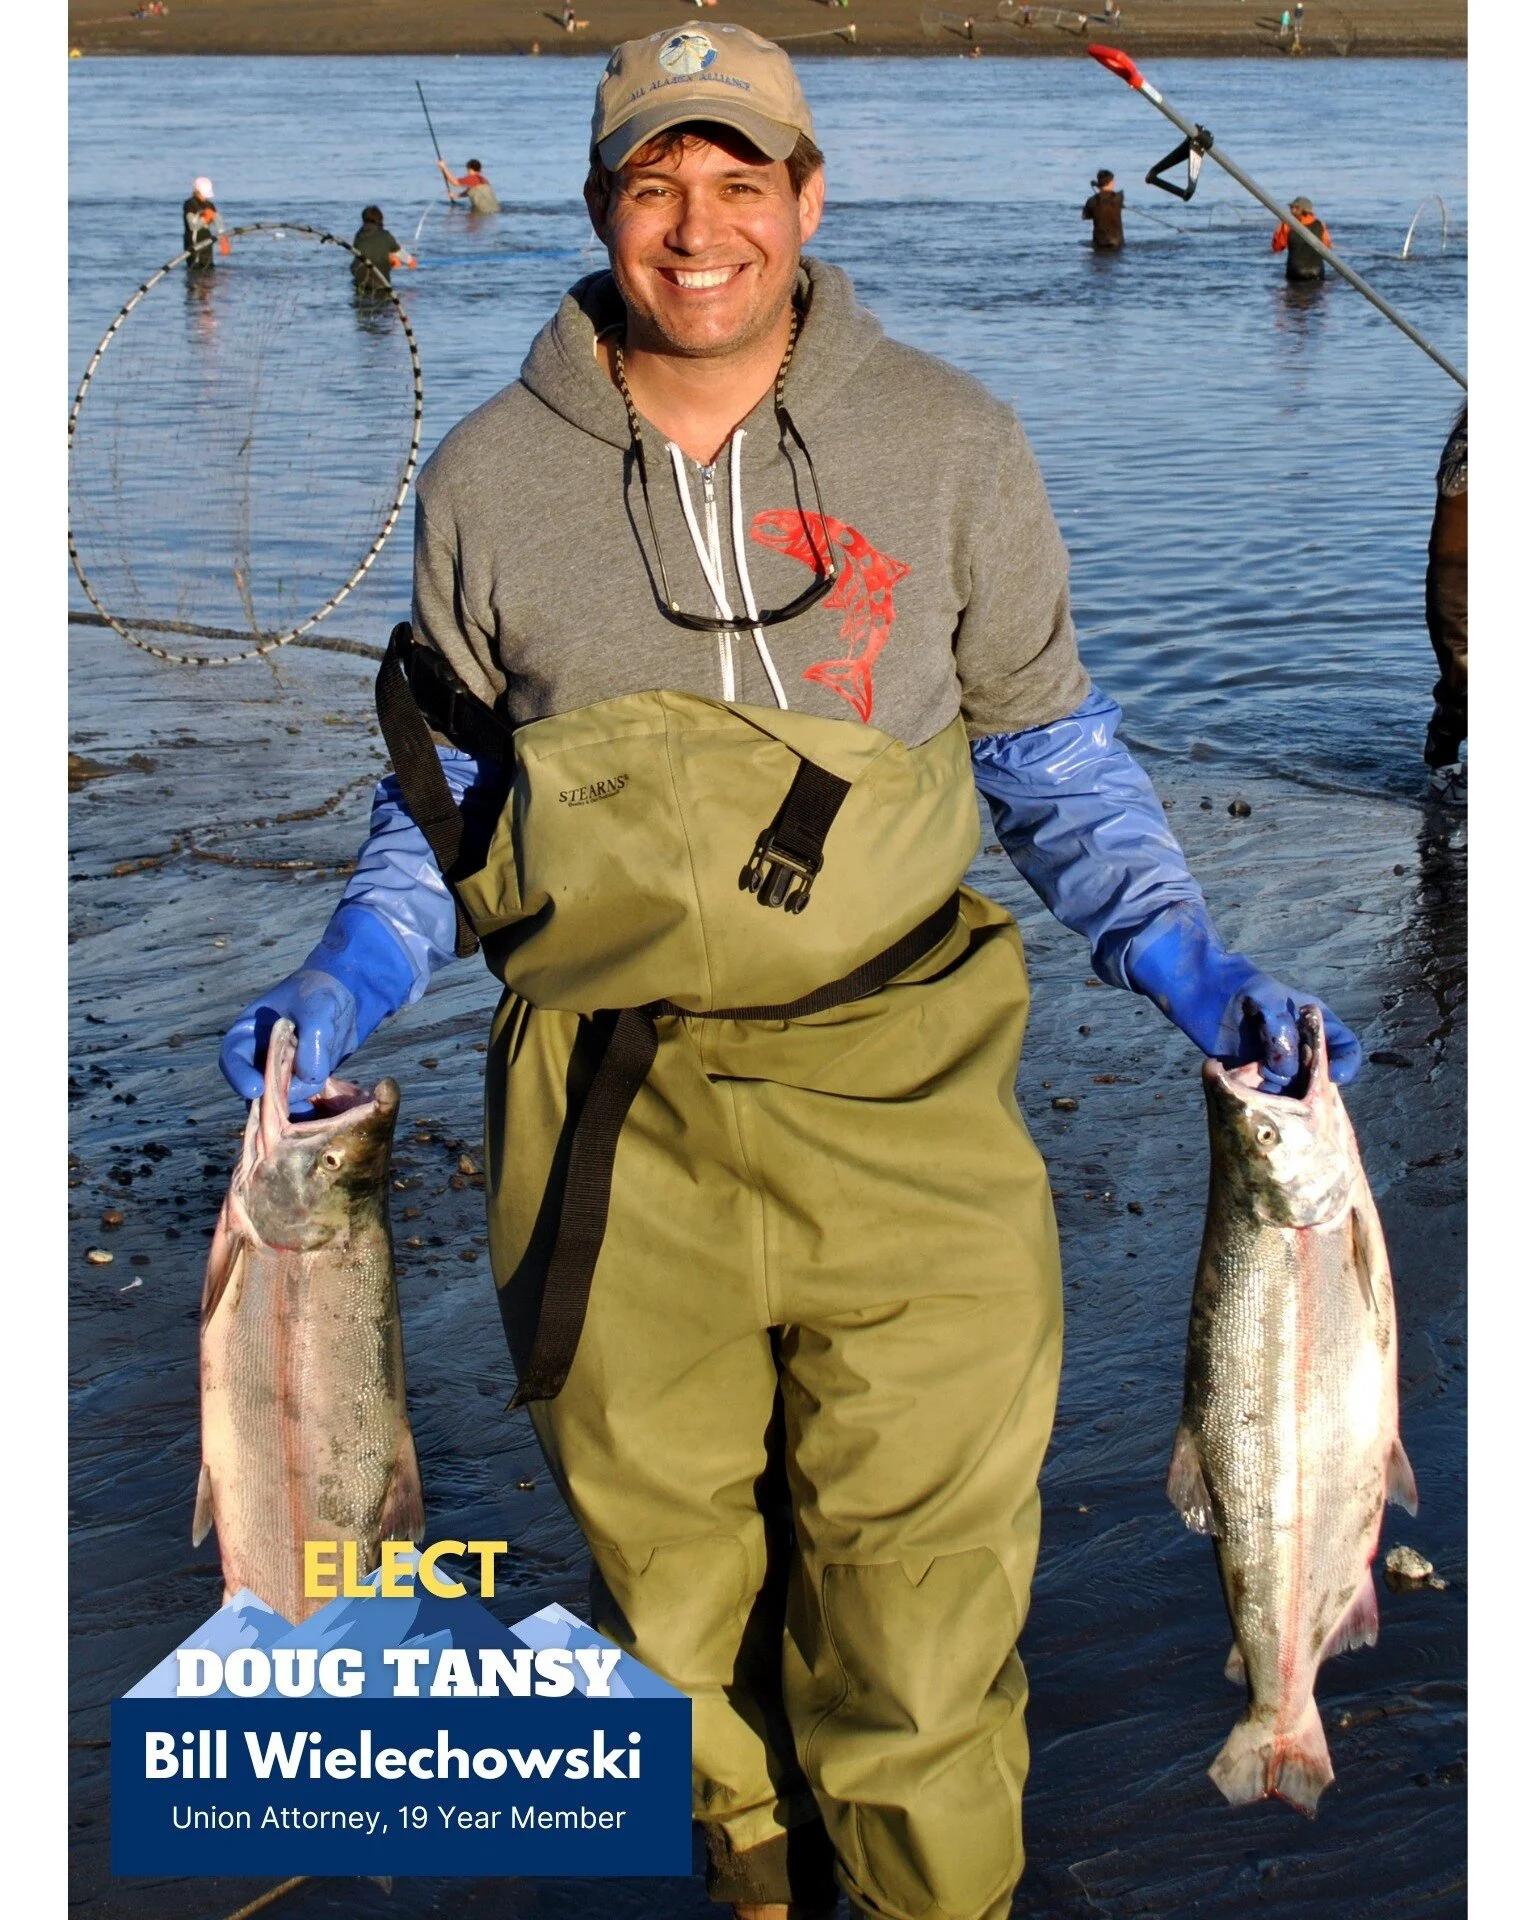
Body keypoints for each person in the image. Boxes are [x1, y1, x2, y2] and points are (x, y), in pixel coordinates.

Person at [221, 24, 1361, 1919]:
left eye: (738, 180)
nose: (698, 227)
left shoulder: (952, 442)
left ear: (805, 201)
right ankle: (745, 1885)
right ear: (601, 209)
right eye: (656, 183)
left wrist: (1177, 947)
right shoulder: (491, 480)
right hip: (606, 1125)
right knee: (667, 1603)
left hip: (909, 1111)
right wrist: (358, 966)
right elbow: (446, 801)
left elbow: (1048, 759)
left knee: (919, 1607)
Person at [1424, 405, 1467, 803]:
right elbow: (1454, 486)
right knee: (1466, 684)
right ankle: (1444, 774)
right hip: (1460, 589)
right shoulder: (1466, 447)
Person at [350, 205, 415, 293]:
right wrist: (410, 261)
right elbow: (400, 254)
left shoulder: (358, 236)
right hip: (381, 282)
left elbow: (367, 252)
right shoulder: (386, 236)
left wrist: (391, 259)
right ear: (380, 219)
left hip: (359, 281)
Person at [1272, 194, 1330, 281]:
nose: (1291, 211)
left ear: (1303, 210)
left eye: (1295, 208)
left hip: (1296, 272)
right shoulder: (1321, 225)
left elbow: (1277, 247)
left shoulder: (1287, 224)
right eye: (1291, 208)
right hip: (1317, 271)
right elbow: (1326, 245)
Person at [181, 176, 229, 267]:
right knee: (195, 271)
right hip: (193, 243)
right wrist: (206, 218)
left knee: (209, 268)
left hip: (207, 241)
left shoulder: (209, 205)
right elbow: (192, 226)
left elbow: (218, 222)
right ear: (197, 192)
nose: (205, 197)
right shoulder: (189, 204)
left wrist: (224, 241)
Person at [1082, 168, 1124, 250]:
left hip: (1099, 242)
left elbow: (1084, 217)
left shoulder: (1091, 201)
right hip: (1117, 241)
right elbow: (1110, 197)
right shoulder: (1119, 198)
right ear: (1111, 182)